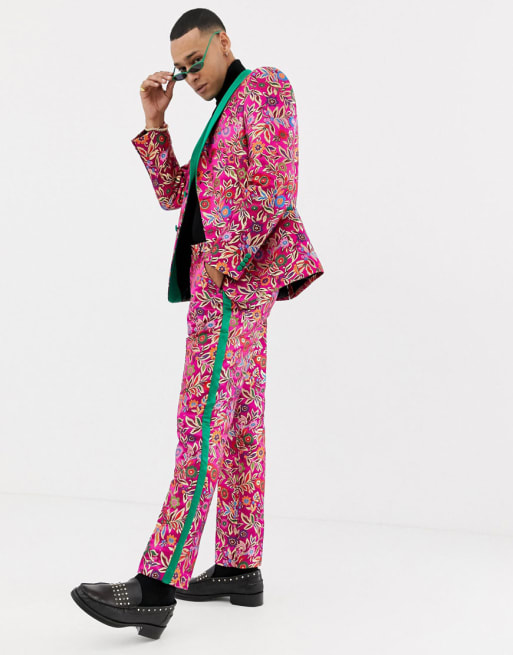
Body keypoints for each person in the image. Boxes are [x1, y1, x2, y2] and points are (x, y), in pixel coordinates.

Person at [71, 7, 324, 640]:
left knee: (200, 423)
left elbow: (275, 186)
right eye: (180, 70)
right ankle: (239, 564)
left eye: (195, 61)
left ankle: (156, 587)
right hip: (231, 283)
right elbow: (177, 196)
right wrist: (156, 123)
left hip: (233, 284)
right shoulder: (220, 113)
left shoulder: (264, 85)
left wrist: (221, 260)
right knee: (236, 426)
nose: (190, 77)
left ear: (224, 42)